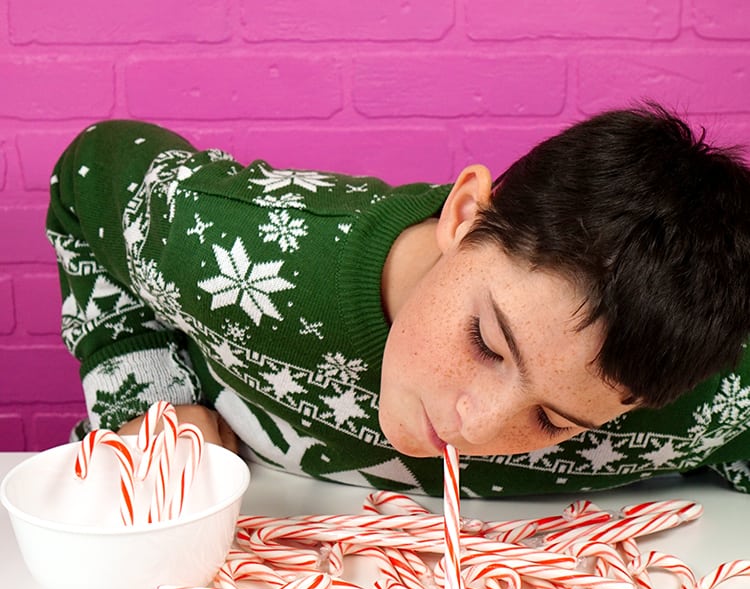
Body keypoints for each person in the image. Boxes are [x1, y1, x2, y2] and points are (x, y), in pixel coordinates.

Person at [46, 103, 750, 497]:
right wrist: (150, 403)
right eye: (486, 341)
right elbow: (87, 174)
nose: (474, 425)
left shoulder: (703, 397)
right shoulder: (241, 252)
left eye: (552, 418)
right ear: (466, 213)